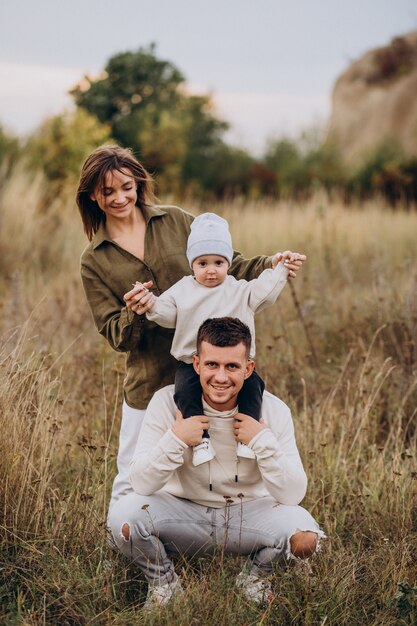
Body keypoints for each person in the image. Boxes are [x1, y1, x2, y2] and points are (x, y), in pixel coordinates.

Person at [76, 144, 305, 524]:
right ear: (92, 196)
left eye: (127, 187)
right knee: (134, 472)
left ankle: (211, 537)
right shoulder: (94, 259)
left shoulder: (178, 221)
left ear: (138, 184)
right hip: (152, 377)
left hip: (217, 373)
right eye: (107, 191)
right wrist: (136, 311)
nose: (120, 198)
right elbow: (114, 334)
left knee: (217, 459)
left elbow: (230, 262)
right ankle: (122, 546)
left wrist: (272, 263)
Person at [119, 317, 324, 609]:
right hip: (184, 512)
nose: (221, 377)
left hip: (247, 515)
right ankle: (164, 585)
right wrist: (176, 439)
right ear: (197, 364)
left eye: (232, 366)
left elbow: (293, 495)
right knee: (124, 519)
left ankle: (255, 578)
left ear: (248, 368)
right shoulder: (166, 402)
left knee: (305, 538)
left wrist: (261, 441)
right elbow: (140, 483)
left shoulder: (273, 410)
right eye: (212, 365)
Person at [139, 212, 305, 466]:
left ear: (228, 263)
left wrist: (280, 269)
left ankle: (246, 438)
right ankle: (201, 441)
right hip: (190, 363)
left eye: (218, 263)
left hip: (237, 364)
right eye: (202, 263)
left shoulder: (238, 289)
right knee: (185, 393)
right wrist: (150, 303)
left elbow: (264, 292)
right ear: (191, 265)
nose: (211, 271)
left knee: (254, 388)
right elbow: (166, 312)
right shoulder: (183, 290)